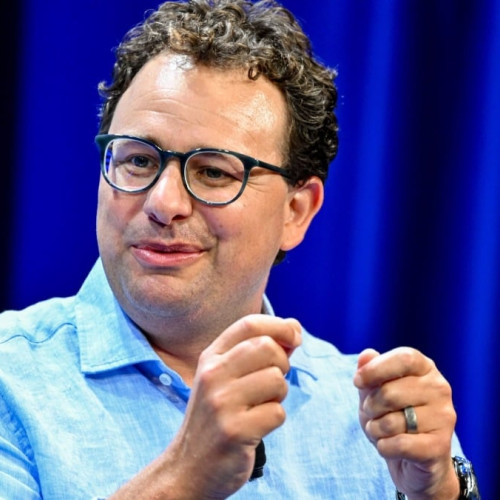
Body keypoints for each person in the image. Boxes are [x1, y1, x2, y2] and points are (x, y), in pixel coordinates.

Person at [0, 1, 479, 498]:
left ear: (296, 212)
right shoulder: (11, 380)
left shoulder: (373, 418)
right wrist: (183, 477)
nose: (163, 204)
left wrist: (439, 491)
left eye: (213, 171)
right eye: (139, 160)